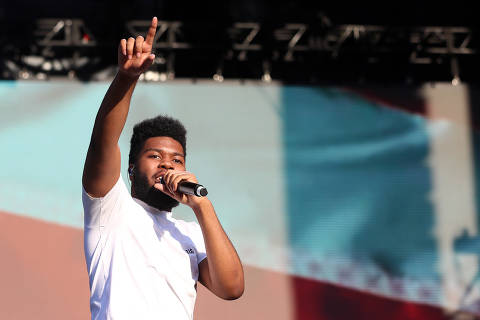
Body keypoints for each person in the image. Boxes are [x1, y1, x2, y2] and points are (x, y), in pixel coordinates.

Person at [82, 17, 244, 320]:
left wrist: (202, 206)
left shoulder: (190, 233)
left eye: (177, 160)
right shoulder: (111, 209)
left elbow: (231, 288)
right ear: (131, 170)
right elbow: (102, 143)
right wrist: (127, 78)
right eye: (155, 156)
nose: (168, 164)